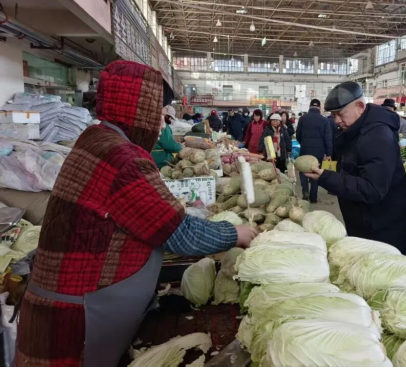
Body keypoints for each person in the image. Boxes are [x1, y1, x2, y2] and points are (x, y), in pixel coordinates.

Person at [15, 61, 258, 368]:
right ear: (138, 110)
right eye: (157, 113)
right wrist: (236, 233)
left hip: (72, 299)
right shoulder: (122, 158)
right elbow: (177, 232)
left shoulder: (97, 139)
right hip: (78, 314)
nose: (161, 123)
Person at [304, 82, 406, 255]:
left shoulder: (377, 136)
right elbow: (352, 168)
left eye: (340, 114)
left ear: (360, 107)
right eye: (333, 115)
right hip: (367, 224)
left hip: (382, 232)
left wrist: (326, 177)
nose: (337, 121)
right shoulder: (357, 130)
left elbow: (372, 189)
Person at [296, 99, 332, 203]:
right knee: (316, 171)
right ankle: (313, 197)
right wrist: (328, 154)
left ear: (309, 107)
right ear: (319, 108)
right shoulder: (324, 120)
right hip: (319, 152)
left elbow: (298, 135)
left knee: (303, 170)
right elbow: (328, 139)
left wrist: (304, 143)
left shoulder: (303, 119)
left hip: (305, 149)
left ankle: (305, 191)